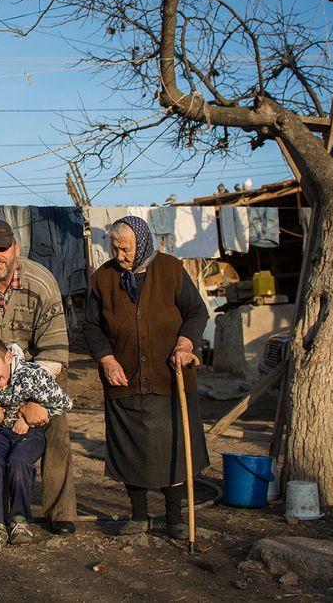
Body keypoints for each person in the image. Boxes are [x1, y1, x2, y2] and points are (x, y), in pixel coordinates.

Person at [82, 215, 209, 539]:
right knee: (130, 450)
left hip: (169, 377)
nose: (120, 255)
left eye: (125, 249)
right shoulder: (103, 279)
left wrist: (185, 342)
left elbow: (196, 311)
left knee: (175, 450)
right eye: (115, 249)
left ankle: (174, 519)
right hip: (124, 379)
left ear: (142, 244)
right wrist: (106, 359)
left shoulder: (170, 269)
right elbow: (92, 326)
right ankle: (138, 516)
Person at [0, 217, 77, 535]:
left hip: (40, 374)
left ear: (15, 248)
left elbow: (54, 351)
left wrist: (32, 401)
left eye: (2, 249)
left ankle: (59, 512)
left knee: (57, 435)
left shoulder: (42, 282)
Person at [0, 336, 73, 553]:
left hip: (29, 433)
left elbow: (65, 402)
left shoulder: (32, 374)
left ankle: (19, 519)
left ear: (8, 357)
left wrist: (30, 417)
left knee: (19, 460)